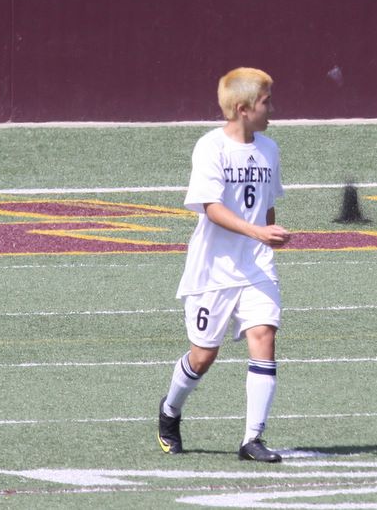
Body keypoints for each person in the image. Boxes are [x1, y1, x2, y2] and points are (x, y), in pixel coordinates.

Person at [157, 67, 291, 463]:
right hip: (213, 270)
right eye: (266, 102)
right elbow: (212, 208)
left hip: (257, 265)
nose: (272, 109)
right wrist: (257, 232)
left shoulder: (269, 149)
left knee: (264, 335)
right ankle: (170, 410)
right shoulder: (210, 147)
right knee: (203, 356)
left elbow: (266, 204)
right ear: (243, 108)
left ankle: (253, 439)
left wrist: (268, 235)